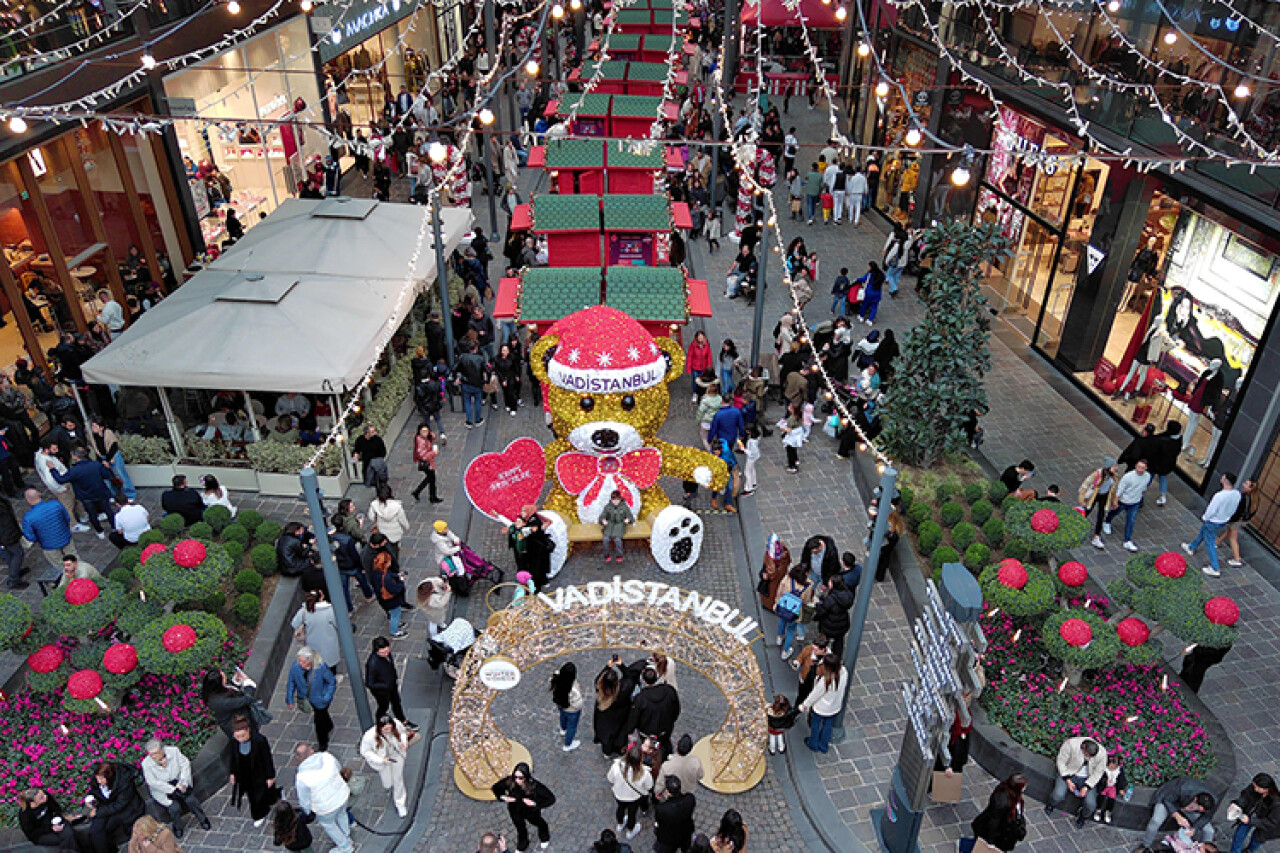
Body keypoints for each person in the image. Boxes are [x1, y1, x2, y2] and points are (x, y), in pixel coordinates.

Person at [141, 739, 210, 838]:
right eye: (151, 754)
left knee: (191, 800)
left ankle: (203, 819)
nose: (153, 756)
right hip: (163, 789)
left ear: (162, 749)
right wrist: (172, 790)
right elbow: (152, 782)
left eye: (155, 753)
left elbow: (185, 765)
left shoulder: (174, 751)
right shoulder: (146, 764)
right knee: (174, 808)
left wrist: (183, 782)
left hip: (179, 782)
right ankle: (178, 826)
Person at [294, 743, 352, 853]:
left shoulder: (302, 777)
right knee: (342, 814)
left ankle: (345, 846)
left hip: (326, 808)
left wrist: (307, 811)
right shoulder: (327, 757)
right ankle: (347, 836)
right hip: (342, 794)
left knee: (329, 825)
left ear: (298, 758)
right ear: (311, 751)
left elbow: (304, 799)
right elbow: (339, 769)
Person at [360, 715, 420, 818]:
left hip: (396, 755)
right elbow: (365, 751)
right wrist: (381, 760)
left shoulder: (396, 724)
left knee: (398, 779)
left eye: (390, 728)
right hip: (383, 761)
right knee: (387, 783)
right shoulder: (369, 736)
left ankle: (400, 803)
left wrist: (404, 743)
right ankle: (391, 788)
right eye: (385, 729)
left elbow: (403, 733)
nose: (388, 731)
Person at [1184, 472, 1242, 577]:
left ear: (1225, 481)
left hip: (1213, 520)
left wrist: (1205, 517)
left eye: (1223, 478)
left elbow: (1212, 510)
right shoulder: (1237, 494)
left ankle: (1215, 568)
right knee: (1203, 532)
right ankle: (1191, 547)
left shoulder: (1220, 495)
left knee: (1209, 543)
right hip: (1223, 520)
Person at [52, 446, 116, 539]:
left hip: (86, 496)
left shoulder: (74, 470)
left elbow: (61, 480)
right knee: (108, 511)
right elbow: (109, 475)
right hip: (101, 492)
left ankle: (100, 531)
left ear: (75, 457)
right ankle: (114, 527)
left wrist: (53, 469)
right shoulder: (96, 465)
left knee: (92, 514)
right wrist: (107, 468)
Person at [1045, 736, 1107, 828]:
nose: (1088, 758)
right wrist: (1067, 779)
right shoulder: (1071, 744)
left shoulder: (1102, 754)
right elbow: (1061, 761)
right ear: (1084, 747)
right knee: (1058, 794)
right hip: (1069, 773)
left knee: (1091, 804)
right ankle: (1051, 805)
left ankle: (1083, 816)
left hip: (1088, 778)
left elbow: (1098, 773)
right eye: (1087, 755)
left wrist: (1087, 786)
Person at [492, 762, 555, 851]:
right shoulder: (510, 782)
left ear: (526, 777)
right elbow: (496, 788)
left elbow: (550, 799)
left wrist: (534, 803)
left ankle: (544, 837)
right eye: (515, 777)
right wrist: (504, 797)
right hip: (515, 809)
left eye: (520, 778)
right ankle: (523, 843)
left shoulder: (534, 786)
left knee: (539, 823)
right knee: (520, 827)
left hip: (530, 811)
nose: (517, 780)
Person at [85, 761, 146, 853]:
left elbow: (120, 805)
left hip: (127, 809)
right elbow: (94, 789)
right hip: (106, 805)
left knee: (106, 827)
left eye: (101, 779)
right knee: (96, 830)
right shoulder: (98, 779)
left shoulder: (124, 782)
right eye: (98, 779)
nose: (99, 782)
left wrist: (98, 812)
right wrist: (92, 798)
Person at [1141, 777, 1216, 849]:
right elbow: (1167, 799)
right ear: (1195, 799)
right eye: (1199, 808)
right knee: (1156, 820)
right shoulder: (1183, 789)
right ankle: (1145, 845)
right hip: (1169, 801)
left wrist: (1194, 828)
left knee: (1209, 831)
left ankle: (1204, 850)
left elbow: (1207, 816)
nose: (1200, 811)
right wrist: (1177, 816)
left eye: (1201, 810)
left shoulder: (1213, 801)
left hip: (1188, 807)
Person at [285, 647, 337, 751]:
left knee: (319, 721)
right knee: (322, 715)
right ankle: (329, 724)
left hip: (320, 700)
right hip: (306, 698)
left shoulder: (321, 668)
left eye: (303, 661)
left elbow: (331, 681)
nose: (300, 663)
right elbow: (291, 682)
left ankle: (323, 742)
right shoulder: (295, 668)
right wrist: (289, 699)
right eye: (299, 660)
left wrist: (326, 697)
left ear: (310, 660)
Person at [366, 635, 418, 728]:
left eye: (387, 650)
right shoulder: (372, 664)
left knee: (396, 702)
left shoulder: (387, 654)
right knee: (383, 707)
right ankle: (379, 724)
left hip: (392, 685)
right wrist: (384, 685)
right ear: (377, 651)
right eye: (383, 652)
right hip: (382, 691)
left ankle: (403, 721)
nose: (386, 653)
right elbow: (369, 683)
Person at [800, 654, 847, 753]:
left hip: (821, 708)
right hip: (834, 706)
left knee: (815, 724)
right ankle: (823, 745)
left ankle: (813, 743)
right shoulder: (844, 673)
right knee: (828, 725)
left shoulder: (825, 680)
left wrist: (805, 704)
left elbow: (815, 694)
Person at [629, 666, 682, 754]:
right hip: (665, 729)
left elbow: (634, 718)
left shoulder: (640, 699)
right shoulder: (669, 691)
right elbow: (676, 709)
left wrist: (630, 729)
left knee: (647, 747)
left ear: (644, 681)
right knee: (665, 743)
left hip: (646, 732)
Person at [1104, 458, 1153, 551]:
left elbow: (1143, 488)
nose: (1140, 469)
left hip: (1135, 502)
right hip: (1124, 500)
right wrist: (1115, 501)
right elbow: (1120, 489)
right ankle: (1107, 521)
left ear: (1146, 468)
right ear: (1135, 466)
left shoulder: (1147, 476)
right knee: (1115, 512)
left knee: (1131, 520)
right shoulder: (1128, 476)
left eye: (1142, 468)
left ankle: (1127, 540)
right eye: (1138, 467)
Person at [969, 773, 1028, 852]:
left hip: (1004, 833)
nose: (1025, 788)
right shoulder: (1002, 802)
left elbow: (1018, 814)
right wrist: (990, 842)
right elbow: (994, 822)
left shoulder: (1011, 795)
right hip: (1000, 835)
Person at [608, 743, 654, 840]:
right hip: (634, 798)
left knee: (620, 808)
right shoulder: (644, 773)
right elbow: (649, 786)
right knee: (632, 814)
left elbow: (610, 779)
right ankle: (630, 830)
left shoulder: (616, 767)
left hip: (619, 795)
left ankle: (620, 824)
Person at [21, 486, 75, 568]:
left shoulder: (28, 518)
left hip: (49, 546)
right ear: (39, 494)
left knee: (61, 566)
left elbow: (30, 537)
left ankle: (70, 579)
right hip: (65, 538)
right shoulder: (55, 504)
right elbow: (67, 518)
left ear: (28, 500)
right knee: (75, 560)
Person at [1227, 772, 1279, 853]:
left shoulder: (1276, 803)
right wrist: (1237, 804)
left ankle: (1250, 850)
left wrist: (1250, 821)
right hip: (1250, 814)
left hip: (1264, 825)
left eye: (1257, 787)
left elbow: (1271, 823)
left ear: (1265, 789)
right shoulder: (1254, 787)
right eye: (1254, 785)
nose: (1254, 789)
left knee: (1256, 840)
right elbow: (1245, 796)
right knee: (1239, 836)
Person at [594, 657, 635, 757]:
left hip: (605, 717)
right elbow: (629, 678)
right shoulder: (623, 690)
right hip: (621, 714)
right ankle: (618, 749)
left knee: (607, 735)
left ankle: (607, 752)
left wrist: (607, 667)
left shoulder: (600, 690)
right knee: (620, 732)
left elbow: (598, 679)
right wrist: (621, 666)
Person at [201, 669, 261, 738]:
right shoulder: (221, 701)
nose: (226, 677)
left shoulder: (214, 693)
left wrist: (235, 682)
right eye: (223, 677)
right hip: (239, 727)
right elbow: (247, 699)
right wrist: (248, 683)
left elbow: (229, 690)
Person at [291, 590, 341, 671]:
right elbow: (339, 625)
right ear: (321, 598)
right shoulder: (330, 610)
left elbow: (294, 624)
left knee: (316, 665)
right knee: (330, 665)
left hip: (312, 644)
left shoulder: (304, 611)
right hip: (329, 643)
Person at [18, 787, 79, 852]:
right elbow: (32, 833)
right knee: (63, 839)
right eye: (41, 798)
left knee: (69, 834)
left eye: (43, 794)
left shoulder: (46, 797)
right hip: (41, 834)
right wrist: (51, 828)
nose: (45, 797)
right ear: (32, 802)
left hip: (55, 822)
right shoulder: (25, 814)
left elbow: (56, 809)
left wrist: (58, 821)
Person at [774, 565, 814, 659]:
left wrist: (777, 602)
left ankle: (779, 637)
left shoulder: (787, 579)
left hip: (783, 607)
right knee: (791, 630)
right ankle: (785, 651)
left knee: (782, 621)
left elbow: (779, 591)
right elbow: (806, 601)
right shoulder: (808, 585)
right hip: (795, 612)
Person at [1079, 457, 1120, 550]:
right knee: (1087, 511)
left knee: (1101, 515)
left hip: (1104, 496)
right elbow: (1085, 485)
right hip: (1094, 495)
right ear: (1109, 467)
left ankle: (1096, 536)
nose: (1116, 468)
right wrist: (1082, 499)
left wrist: (1113, 500)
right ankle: (1075, 525)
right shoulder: (1096, 474)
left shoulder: (1114, 476)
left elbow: (1113, 489)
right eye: (1114, 466)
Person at [90, 419, 135, 501]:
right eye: (92, 426)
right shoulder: (93, 436)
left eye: (95, 426)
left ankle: (130, 494)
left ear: (101, 427)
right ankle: (113, 494)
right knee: (107, 478)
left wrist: (107, 460)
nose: (93, 428)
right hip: (103, 458)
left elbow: (113, 447)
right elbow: (96, 450)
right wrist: (102, 460)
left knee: (121, 475)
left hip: (113, 456)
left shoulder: (108, 433)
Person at [1217, 478, 1256, 568]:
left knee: (1233, 538)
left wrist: (1230, 518)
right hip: (1241, 520)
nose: (1244, 483)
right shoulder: (1253, 499)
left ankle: (1237, 559)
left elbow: (1238, 511)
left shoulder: (1244, 498)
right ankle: (1217, 542)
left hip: (1236, 520)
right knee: (1228, 532)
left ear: (1250, 488)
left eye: (1246, 483)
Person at [815, 575, 856, 657]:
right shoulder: (848, 595)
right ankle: (836, 658)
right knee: (839, 642)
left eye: (830, 582)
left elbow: (822, 611)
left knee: (823, 640)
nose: (829, 583)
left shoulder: (830, 599)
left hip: (828, 625)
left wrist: (818, 606)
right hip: (842, 623)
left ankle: (821, 655)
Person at [654, 775, 697, 853]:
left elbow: (659, 821)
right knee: (686, 848)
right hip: (685, 832)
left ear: (667, 791)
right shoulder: (690, 798)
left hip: (669, 838)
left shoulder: (661, 809)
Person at [370, 550, 408, 638]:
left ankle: (396, 623)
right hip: (390, 600)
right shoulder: (386, 578)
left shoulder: (376, 571)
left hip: (381, 597)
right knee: (395, 613)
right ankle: (394, 631)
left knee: (392, 613)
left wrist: (397, 575)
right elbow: (394, 590)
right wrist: (401, 582)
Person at [656, 734, 704, 801]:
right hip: (688, 791)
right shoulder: (696, 762)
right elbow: (700, 776)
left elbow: (660, 783)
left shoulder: (666, 766)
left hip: (671, 794)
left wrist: (657, 792)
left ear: (677, 746)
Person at [368, 484, 410, 559]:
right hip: (395, 532)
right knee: (394, 550)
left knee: (383, 549)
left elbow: (371, 517)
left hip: (382, 531)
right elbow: (402, 519)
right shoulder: (397, 506)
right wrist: (406, 527)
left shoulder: (374, 504)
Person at [549, 661, 583, 752]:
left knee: (562, 716)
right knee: (572, 726)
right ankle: (568, 744)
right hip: (572, 710)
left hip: (560, 704)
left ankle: (563, 729)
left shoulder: (556, 678)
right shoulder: (573, 690)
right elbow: (578, 704)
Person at [791, 634, 830, 708]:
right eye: (813, 648)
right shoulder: (809, 649)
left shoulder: (828, 659)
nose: (813, 651)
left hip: (816, 684)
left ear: (823, 649)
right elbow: (801, 657)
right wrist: (797, 662)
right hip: (804, 678)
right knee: (801, 696)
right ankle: (796, 710)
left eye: (816, 650)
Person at [1151, 421, 1184, 505]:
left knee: (1150, 475)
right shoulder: (1179, 439)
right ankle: (1163, 496)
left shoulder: (1165, 440)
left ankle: (1141, 491)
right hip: (1169, 464)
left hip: (1158, 462)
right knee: (1163, 477)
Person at [600, 490, 634, 565]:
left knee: (618, 540)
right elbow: (602, 516)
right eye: (614, 500)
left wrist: (628, 520)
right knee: (605, 539)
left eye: (617, 500)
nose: (615, 502)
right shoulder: (608, 506)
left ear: (620, 499)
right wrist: (603, 520)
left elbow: (630, 517)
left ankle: (619, 555)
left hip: (620, 525)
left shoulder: (624, 507)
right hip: (610, 525)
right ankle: (606, 555)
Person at [758, 534, 791, 611]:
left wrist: (767, 576)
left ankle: (769, 606)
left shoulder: (770, 557)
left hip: (774, 581)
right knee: (775, 593)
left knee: (772, 594)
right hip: (780, 578)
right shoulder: (784, 551)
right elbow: (788, 561)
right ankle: (771, 605)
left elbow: (771, 573)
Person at [411, 424, 442, 503]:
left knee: (430, 478)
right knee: (431, 479)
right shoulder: (421, 441)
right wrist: (433, 453)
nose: (426, 433)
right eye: (423, 431)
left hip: (429, 462)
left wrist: (431, 436)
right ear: (419, 431)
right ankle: (432, 497)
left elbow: (430, 440)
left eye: (427, 431)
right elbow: (423, 456)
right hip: (427, 463)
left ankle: (418, 492)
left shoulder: (423, 438)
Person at [1093, 755, 1127, 825]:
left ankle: (1108, 811)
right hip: (1104, 786)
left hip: (1112, 786)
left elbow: (1121, 780)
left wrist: (1121, 788)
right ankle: (1098, 809)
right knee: (1101, 796)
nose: (1112, 769)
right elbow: (1099, 778)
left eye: (1115, 768)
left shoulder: (1119, 771)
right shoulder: (1103, 770)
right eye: (1111, 767)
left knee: (1112, 798)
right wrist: (1105, 782)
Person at [687, 331, 713, 402]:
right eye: (699, 337)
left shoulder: (707, 345)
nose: (700, 338)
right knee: (695, 381)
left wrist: (709, 366)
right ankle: (695, 393)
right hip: (695, 367)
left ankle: (701, 394)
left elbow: (709, 356)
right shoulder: (693, 345)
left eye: (701, 337)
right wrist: (689, 368)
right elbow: (690, 356)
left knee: (703, 381)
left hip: (703, 367)